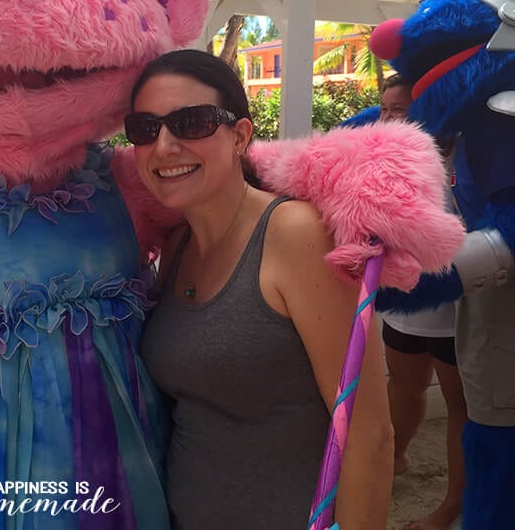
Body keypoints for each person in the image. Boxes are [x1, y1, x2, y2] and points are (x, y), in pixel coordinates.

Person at [127, 49, 394, 530]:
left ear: (240, 136)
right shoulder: (176, 246)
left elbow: (368, 431)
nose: (164, 145)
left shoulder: (296, 234)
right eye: (145, 129)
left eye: (192, 122)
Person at [377, 74, 466, 530]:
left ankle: (451, 504)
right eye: (388, 108)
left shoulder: (466, 150)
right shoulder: (380, 155)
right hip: (407, 304)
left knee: (460, 407)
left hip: (460, 307)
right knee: (405, 387)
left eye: (405, 108)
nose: (396, 117)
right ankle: (395, 459)